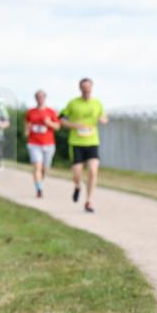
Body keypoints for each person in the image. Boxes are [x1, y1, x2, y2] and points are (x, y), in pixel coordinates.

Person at [59, 78, 107, 213]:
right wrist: (74, 125)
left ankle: (88, 201)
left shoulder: (97, 103)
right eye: (84, 89)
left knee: (93, 170)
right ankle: (77, 186)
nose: (86, 91)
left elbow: (104, 117)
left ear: (92, 88)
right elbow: (61, 119)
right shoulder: (73, 103)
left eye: (88, 88)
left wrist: (103, 120)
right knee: (77, 174)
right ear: (80, 88)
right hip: (76, 143)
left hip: (92, 142)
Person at [25, 90, 61, 198]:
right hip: (34, 143)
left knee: (45, 168)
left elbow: (58, 127)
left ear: (45, 98)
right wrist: (27, 130)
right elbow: (27, 126)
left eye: (42, 97)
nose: (40, 99)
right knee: (37, 166)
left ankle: (40, 180)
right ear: (35, 98)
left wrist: (49, 123)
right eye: (38, 97)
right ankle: (39, 188)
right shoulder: (30, 112)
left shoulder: (51, 112)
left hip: (48, 144)